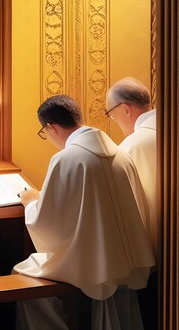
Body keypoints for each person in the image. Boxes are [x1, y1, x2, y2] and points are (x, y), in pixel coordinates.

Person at [14, 95, 155, 330]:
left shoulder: (67, 158)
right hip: (124, 259)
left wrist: (30, 203)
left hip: (89, 261)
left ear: (50, 128)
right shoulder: (119, 153)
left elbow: (49, 226)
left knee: (21, 273)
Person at [106, 77, 157, 254]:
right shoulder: (177, 126)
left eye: (111, 114)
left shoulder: (131, 146)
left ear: (125, 109)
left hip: (152, 249)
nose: (114, 120)